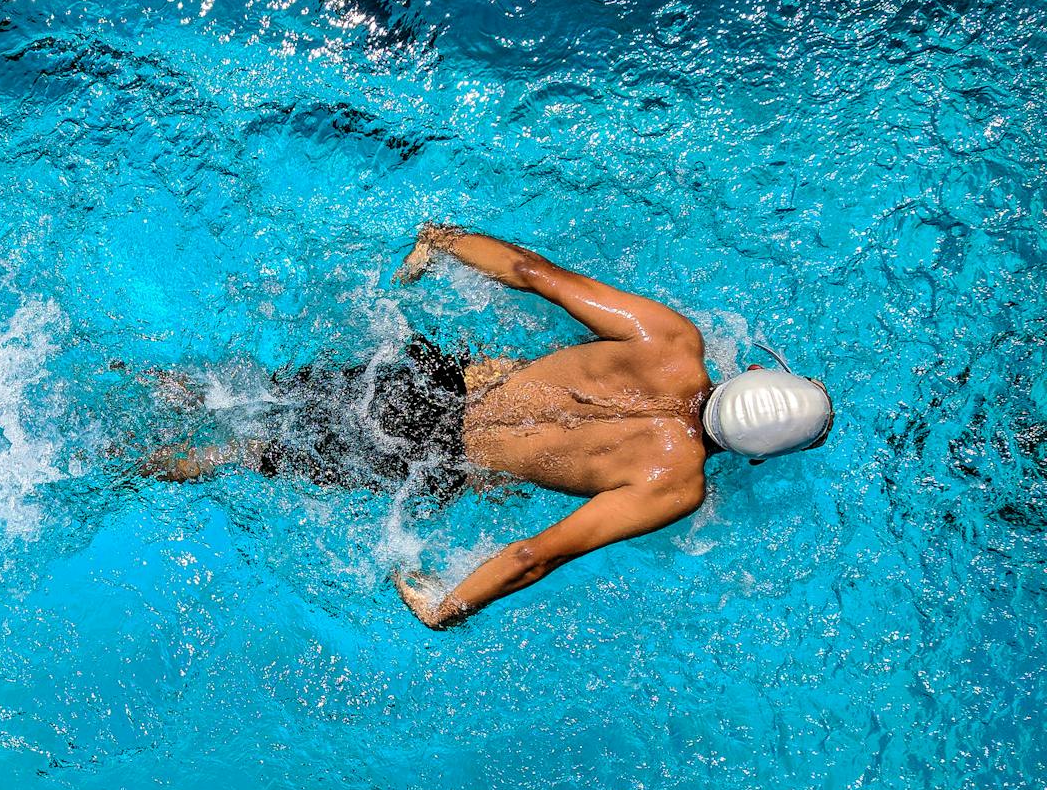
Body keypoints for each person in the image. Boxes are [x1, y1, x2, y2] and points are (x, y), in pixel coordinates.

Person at [142, 224, 833, 628]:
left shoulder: (669, 339)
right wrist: (449, 605)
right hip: (432, 458)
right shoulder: (674, 485)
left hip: (425, 381)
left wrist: (443, 241)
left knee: (245, 393)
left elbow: (534, 273)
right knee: (247, 454)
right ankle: (124, 465)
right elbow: (538, 554)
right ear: (758, 456)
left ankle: (144, 381)